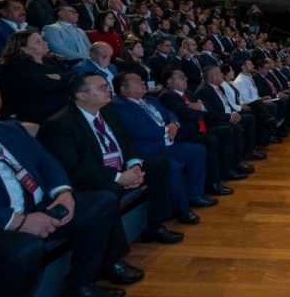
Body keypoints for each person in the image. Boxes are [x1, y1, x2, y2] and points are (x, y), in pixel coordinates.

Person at [0, 120, 143, 297]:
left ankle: (80, 285)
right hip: (4, 220)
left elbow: (46, 162)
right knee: (25, 249)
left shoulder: (12, 130)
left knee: (102, 202)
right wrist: (18, 221)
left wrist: (63, 193)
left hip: (37, 204)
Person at [37, 74, 184, 244]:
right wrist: (119, 177)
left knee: (159, 165)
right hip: (94, 176)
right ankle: (114, 250)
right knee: (109, 188)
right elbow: (73, 168)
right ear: (81, 95)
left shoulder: (108, 111)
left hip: (119, 168)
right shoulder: (59, 124)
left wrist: (135, 165)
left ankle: (155, 226)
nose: (108, 90)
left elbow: (127, 143)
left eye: (107, 86)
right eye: (102, 88)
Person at [112, 72, 216, 225]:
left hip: (167, 143)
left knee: (198, 151)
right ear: (123, 89)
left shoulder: (151, 100)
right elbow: (137, 129)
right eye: (137, 81)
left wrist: (175, 124)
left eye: (142, 80)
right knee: (172, 167)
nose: (143, 82)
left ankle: (195, 195)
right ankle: (182, 210)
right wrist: (166, 130)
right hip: (148, 150)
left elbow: (171, 114)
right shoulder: (119, 106)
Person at [159, 68, 236, 195]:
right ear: (169, 81)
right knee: (210, 141)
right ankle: (213, 183)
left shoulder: (188, 93)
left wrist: (200, 108)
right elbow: (186, 114)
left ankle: (227, 170)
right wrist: (200, 109)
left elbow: (207, 108)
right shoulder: (167, 96)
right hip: (185, 135)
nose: (186, 79)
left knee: (227, 131)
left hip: (199, 129)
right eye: (181, 77)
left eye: (185, 76)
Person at [0, 31, 73, 123]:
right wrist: (65, 78)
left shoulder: (49, 60)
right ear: (23, 49)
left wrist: (59, 76)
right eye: (38, 42)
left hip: (57, 104)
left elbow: (74, 76)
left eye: (42, 40)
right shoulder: (16, 66)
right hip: (32, 113)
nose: (45, 43)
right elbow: (48, 86)